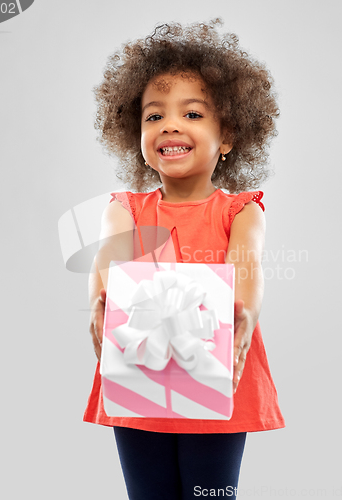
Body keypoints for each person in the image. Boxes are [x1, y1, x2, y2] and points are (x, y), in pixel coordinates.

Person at [84, 19, 285, 500]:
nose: (170, 124)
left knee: (209, 494)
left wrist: (245, 314)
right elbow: (108, 261)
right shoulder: (126, 209)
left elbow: (247, 272)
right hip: (140, 377)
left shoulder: (241, 210)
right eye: (154, 116)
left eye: (192, 113)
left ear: (229, 135)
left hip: (216, 376)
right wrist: (98, 300)